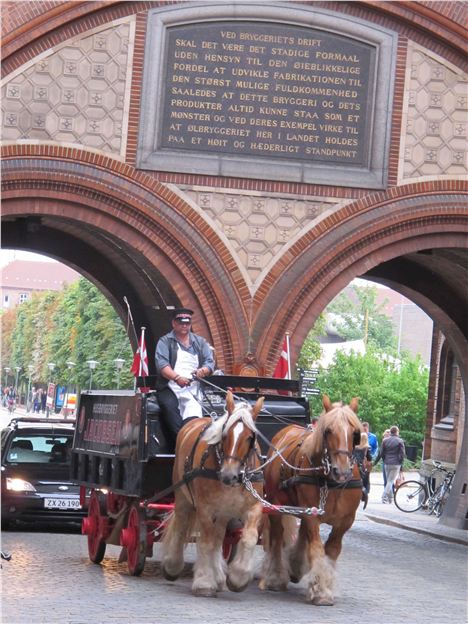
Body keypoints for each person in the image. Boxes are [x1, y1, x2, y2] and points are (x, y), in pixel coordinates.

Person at [155, 308, 215, 451]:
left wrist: (203, 371)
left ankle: (191, 445)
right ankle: (181, 446)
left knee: (193, 419)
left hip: (193, 388)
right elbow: (162, 365)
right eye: (181, 323)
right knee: (168, 408)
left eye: (187, 323)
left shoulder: (200, 342)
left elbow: (210, 362)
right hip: (170, 386)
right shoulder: (165, 341)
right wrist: (176, 378)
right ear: (174, 323)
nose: (184, 326)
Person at [379, 425, 405, 504]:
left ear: (390, 432)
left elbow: (382, 453)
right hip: (396, 464)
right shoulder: (400, 441)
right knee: (390, 481)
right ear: (397, 432)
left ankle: (391, 498)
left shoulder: (385, 440)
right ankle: (384, 497)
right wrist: (401, 464)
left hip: (387, 463)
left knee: (388, 481)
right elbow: (402, 454)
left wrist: (384, 460)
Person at [353, 432, 372, 509]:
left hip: (353, 465)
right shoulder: (366, 448)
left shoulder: (354, 447)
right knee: (365, 480)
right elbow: (369, 459)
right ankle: (364, 494)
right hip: (361, 466)